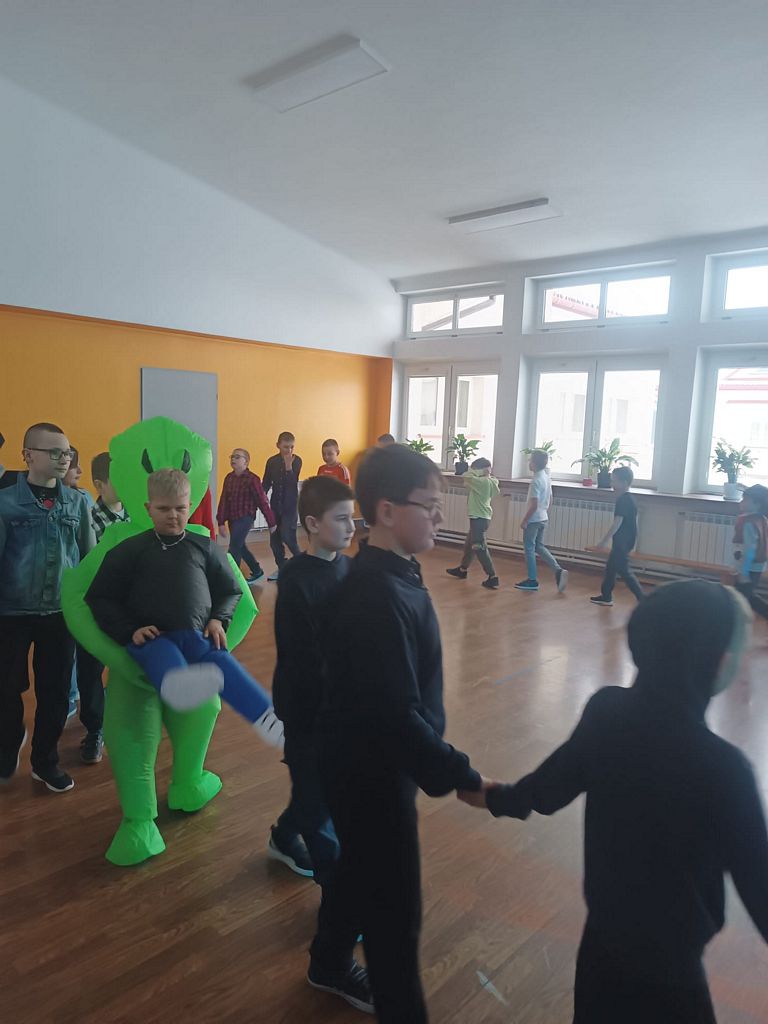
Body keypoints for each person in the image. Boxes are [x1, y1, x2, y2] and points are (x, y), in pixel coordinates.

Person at [460, 580, 768, 1024]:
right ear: (719, 662)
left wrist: (493, 796)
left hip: (601, 948)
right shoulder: (725, 770)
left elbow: (547, 790)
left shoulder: (607, 712)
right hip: (672, 974)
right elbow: (760, 890)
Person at [309, 445, 489, 1022]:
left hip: (378, 762)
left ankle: (328, 962)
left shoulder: (396, 574)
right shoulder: (373, 596)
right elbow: (394, 713)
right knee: (395, 915)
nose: (440, 516)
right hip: (370, 771)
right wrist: (460, 774)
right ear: (386, 511)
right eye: (429, 505)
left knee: (359, 869)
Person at [85, 469, 281, 742]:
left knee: (223, 662)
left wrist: (218, 619)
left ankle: (271, 722)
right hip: (152, 638)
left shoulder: (204, 547)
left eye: (180, 508)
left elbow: (230, 590)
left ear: (189, 506)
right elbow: (100, 597)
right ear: (149, 508)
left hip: (196, 634)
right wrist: (129, 630)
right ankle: (179, 689)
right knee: (164, 655)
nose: (173, 515)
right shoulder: (129, 550)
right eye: (163, 509)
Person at [268, 476, 355, 880]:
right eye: (341, 519)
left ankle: (284, 836)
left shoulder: (349, 569)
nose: (351, 527)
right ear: (313, 524)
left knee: (317, 789)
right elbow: (301, 657)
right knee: (317, 794)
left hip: (344, 707)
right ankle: (337, 889)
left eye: (352, 518)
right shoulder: (296, 579)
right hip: (308, 708)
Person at [0, 422, 95, 792]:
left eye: (66, 452)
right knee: (6, 687)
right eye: (54, 452)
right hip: (12, 613)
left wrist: (89, 607)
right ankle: (9, 743)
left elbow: (87, 559)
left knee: (55, 692)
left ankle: (45, 761)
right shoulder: (6, 502)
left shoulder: (78, 503)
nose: (63, 458)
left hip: (60, 613)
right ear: (28, 455)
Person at [217, 448, 276, 584]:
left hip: (246, 518)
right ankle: (257, 570)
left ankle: (233, 580)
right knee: (240, 546)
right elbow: (224, 500)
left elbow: (262, 501)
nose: (233, 459)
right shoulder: (229, 478)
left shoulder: (252, 479)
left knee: (234, 547)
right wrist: (221, 522)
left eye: (237, 457)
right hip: (233, 518)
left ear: (246, 462)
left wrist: (271, 522)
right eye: (232, 457)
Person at [588, 465, 643, 607]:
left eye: (614, 481)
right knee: (611, 568)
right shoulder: (629, 498)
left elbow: (617, 523)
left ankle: (644, 600)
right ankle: (606, 596)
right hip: (626, 539)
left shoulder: (623, 500)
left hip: (622, 541)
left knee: (625, 571)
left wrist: (603, 542)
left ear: (624, 483)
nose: (611, 484)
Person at [515, 449, 567, 593]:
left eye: (530, 460)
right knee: (539, 546)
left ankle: (532, 580)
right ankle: (558, 570)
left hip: (533, 519)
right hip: (543, 517)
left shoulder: (535, 481)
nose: (528, 462)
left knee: (529, 549)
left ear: (534, 463)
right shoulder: (546, 477)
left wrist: (525, 520)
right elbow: (550, 499)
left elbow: (534, 504)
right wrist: (544, 513)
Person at [446, 457, 500, 589]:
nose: (473, 471)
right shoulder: (491, 481)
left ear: (480, 470)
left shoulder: (482, 482)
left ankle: (492, 576)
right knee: (469, 545)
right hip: (482, 518)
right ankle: (462, 570)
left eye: (475, 469)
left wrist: (479, 471)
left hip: (478, 519)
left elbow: (466, 475)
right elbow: (468, 481)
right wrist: (484, 472)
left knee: (479, 547)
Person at [263, 431, 302, 582]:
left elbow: (292, 483)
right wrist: (260, 498)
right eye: (286, 447)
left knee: (288, 537)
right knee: (274, 540)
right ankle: (282, 568)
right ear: (278, 445)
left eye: (292, 447)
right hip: (275, 506)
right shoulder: (271, 461)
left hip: (290, 506)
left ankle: (303, 566)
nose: (289, 450)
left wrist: (288, 466)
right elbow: (266, 482)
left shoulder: (297, 461)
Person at [732, 483, 768, 620]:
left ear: (757, 504)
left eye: (745, 500)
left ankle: (736, 623)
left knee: (741, 598)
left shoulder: (749, 523)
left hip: (749, 568)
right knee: (746, 595)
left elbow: (750, 550)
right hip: (757, 567)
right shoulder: (762, 519)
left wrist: (744, 573)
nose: (741, 502)